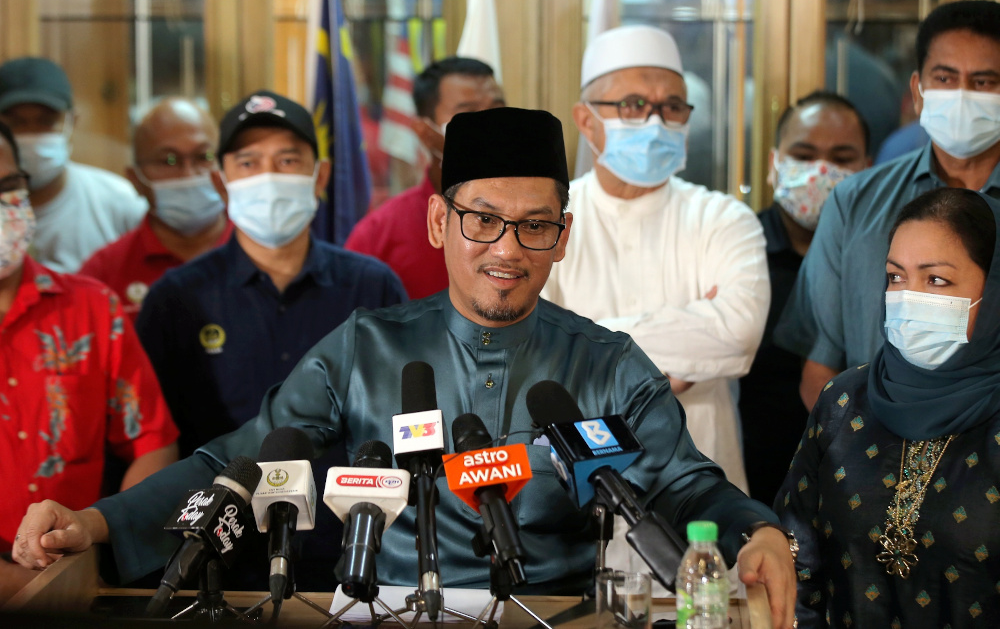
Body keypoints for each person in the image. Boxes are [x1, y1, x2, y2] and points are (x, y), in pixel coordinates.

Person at [11, 107, 798, 629]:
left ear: (562, 238)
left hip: (556, 616)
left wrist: (757, 530)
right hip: (379, 611)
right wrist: (97, 522)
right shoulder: (365, 347)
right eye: (482, 220)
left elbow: (684, 484)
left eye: (533, 228)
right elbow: (241, 460)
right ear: (436, 221)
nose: (505, 250)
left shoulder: (606, 364)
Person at [128, 90, 406, 590]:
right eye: (249, 162)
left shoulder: (372, 287)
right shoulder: (176, 299)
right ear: (221, 180)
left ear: (319, 176)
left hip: (351, 557)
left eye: (287, 160)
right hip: (212, 560)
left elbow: (394, 419)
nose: (269, 177)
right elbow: (157, 438)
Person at [543, 25, 769, 493]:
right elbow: (533, 355)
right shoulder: (546, 222)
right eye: (632, 105)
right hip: (577, 498)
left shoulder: (724, 217)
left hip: (701, 492)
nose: (655, 121)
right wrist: (675, 360)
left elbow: (738, 333)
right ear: (586, 121)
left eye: (671, 107)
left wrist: (583, 336)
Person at [776, 187, 1000, 627]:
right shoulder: (844, 400)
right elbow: (793, 557)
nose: (908, 297)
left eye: (936, 280)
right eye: (896, 277)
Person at [775, 0, 1000, 412]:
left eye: (984, 82)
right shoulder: (855, 201)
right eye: (946, 78)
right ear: (918, 90)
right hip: (872, 452)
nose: (963, 96)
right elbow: (821, 370)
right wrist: (859, 457)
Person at [0, 121, 177, 599]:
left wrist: (103, 539)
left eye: (8, 187)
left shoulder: (91, 308)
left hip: (82, 579)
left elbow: (152, 443)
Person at [739, 91, 870, 504]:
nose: (820, 171)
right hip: (749, 483)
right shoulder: (738, 249)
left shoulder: (886, 260)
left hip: (857, 481)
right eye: (804, 153)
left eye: (841, 158)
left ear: (867, 168)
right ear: (775, 163)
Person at [345, 57, 504, 299]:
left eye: (498, 111)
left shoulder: (541, 219)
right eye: (468, 114)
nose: (490, 125)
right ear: (425, 131)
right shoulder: (378, 235)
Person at [79, 98, 233, 321]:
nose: (188, 174)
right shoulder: (104, 274)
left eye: (204, 157)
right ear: (136, 179)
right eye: (169, 161)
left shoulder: (262, 253)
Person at [0, 57, 146, 273]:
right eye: (16, 123)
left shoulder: (118, 202)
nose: (31, 133)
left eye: (47, 121)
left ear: (72, 121)